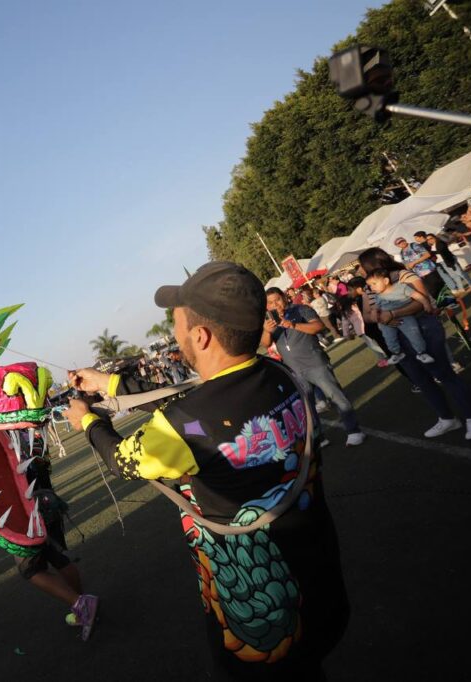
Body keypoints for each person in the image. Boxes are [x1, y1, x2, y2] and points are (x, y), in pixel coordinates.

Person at [66, 262, 349, 678]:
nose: (175, 331)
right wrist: (107, 384)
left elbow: (123, 459)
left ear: (200, 336)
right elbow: (194, 408)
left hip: (263, 620)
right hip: (322, 582)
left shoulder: (185, 424)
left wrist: (88, 421)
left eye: (177, 321)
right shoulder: (279, 373)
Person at [357, 248, 471, 440]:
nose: (359, 270)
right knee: (421, 380)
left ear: (372, 264)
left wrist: (393, 314)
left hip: (423, 329)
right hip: (398, 337)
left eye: (361, 265)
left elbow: (421, 302)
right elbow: (367, 314)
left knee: (444, 374)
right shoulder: (369, 287)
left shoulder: (404, 275)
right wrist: (379, 317)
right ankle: (446, 418)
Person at [263, 287, 366, 446]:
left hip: (315, 363)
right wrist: (267, 331)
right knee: (307, 407)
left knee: (336, 396)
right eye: (270, 303)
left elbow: (318, 326)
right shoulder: (268, 321)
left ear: (284, 297)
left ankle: (354, 431)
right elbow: (266, 343)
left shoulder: (301, 309)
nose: (275, 304)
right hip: (294, 370)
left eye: (277, 299)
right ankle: (319, 437)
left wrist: (293, 325)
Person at [15, 448, 98, 642]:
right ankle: (82, 608)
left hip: (28, 512)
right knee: (57, 557)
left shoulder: (2, 441)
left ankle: (81, 604)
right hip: (48, 503)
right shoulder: (28, 436)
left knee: (30, 569)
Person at [364, 269, 435, 365]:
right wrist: (374, 312)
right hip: (386, 321)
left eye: (374, 284)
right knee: (388, 337)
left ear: (386, 281)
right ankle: (396, 353)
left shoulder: (401, 287)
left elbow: (417, 295)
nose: (372, 287)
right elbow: (376, 306)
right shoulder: (378, 296)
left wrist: (426, 303)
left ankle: (422, 352)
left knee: (414, 334)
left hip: (404, 316)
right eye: (370, 285)